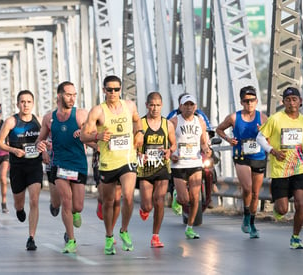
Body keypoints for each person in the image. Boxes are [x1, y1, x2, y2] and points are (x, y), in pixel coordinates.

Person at [80, 75, 144, 255]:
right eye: (110, 90)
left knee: (129, 196)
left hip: (127, 159)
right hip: (108, 162)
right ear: (104, 90)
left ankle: (124, 231)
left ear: (120, 90)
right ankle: (109, 236)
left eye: (116, 89)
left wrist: (139, 132)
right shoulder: (97, 111)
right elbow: (84, 136)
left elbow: (137, 118)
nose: (113, 93)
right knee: (108, 202)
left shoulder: (129, 105)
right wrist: (97, 136)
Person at [256, 87, 303, 249]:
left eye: (294, 99)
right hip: (280, 169)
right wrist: (273, 151)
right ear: (283, 102)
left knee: (300, 203)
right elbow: (260, 137)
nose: (291, 102)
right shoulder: (276, 119)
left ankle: (296, 237)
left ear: (300, 101)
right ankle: (278, 204)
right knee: (283, 209)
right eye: (288, 99)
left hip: (299, 168)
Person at [37, 81, 91, 254]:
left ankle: (76, 213)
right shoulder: (48, 118)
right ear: (59, 95)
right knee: (66, 202)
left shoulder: (81, 115)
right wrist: (42, 147)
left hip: (78, 163)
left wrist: (84, 134)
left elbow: (93, 134)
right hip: (59, 164)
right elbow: (40, 139)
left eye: (74, 95)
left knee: (78, 205)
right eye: (69, 94)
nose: (72, 98)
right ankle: (71, 239)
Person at [216, 86, 267, 239]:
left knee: (256, 193)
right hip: (241, 155)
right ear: (241, 102)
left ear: (256, 101)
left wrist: (263, 132)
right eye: (246, 101)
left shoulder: (263, 117)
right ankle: (246, 213)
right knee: (247, 188)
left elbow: (271, 136)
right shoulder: (234, 117)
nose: (249, 103)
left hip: (258, 155)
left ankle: (251, 222)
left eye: (252, 100)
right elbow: (219, 129)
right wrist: (228, 139)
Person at [0, 90, 43, 251]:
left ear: (33, 103)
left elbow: (47, 139)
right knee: (19, 202)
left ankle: (31, 238)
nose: (26, 105)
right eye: (23, 102)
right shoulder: (11, 122)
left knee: (34, 200)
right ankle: (19, 209)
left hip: (35, 165)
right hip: (17, 166)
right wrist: (13, 150)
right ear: (18, 104)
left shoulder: (39, 121)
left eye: (29, 101)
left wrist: (46, 147)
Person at [137, 92, 176, 248]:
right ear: (147, 105)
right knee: (148, 205)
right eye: (152, 105)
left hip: (162, 167)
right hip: (145, 169)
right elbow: (134, 146)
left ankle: (155, 236)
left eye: (158, 105)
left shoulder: (168, 125)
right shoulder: (140, 124)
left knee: (159, 201)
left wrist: (170, 151)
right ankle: (144, 209)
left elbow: (173, 144)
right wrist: (139, 154)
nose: (155, 108)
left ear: (162, 106)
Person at [169, 94, 211, 239]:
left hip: (195, 162)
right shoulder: (174, 122)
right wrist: (170, 153)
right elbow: (166, 142)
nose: (188, 107)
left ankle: (190, 227)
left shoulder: (200, 122)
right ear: (180, 107)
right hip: (179, 163)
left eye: (191, 105)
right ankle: (177, 196)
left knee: (195, 198)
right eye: (185, 105)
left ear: (195, 107)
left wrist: (206, 149)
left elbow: (203, 141)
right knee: (184, 199)